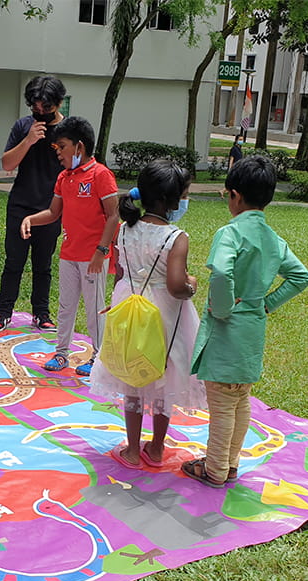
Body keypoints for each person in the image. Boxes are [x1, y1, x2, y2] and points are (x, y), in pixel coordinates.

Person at [183, 156, 308, 488]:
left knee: (223, 404)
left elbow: (223, 272)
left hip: (227, 332)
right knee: (240, 398)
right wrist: (266, 303)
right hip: (253, 330)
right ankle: (229, 464)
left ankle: (214, 469)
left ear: (234, 196)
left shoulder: (230, 233)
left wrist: (223, 309)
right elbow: (301, 277)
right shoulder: (273, 239)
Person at [90, 160, 206, 469]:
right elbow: (176, 286)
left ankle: (131, 448)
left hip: (129, 304)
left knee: (132, 371)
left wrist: (119, 301)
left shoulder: (125, 230)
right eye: (185, 194)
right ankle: (155, 448)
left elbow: (121, 272)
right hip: (163, 312)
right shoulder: (175, 237)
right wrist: (192, 285)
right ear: (171, 201)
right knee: (164, 373)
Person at [20, 116, 120, 376]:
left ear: (79, 147)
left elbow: (113, 215)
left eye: (62, 147)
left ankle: (98, 357)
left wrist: (101, 251)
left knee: (94, 306)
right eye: (56, 148)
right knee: (66, 306)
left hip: (93, 257)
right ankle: (61, 353)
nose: (59, 154)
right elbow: (53, 213)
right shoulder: (64, 177)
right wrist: (30, 218)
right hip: (69, 254)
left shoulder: (101, 175)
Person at [0, 75, 67, 332]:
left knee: (43, 265)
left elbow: (77, 167)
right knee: (14, 262)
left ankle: (41, 314)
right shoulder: (23, 126)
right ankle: (3, 313)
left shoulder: (69, 131)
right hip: (20, 205)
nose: (40, 112)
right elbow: (8, 164)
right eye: (35, 107)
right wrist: (29, 140)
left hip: (52, 208)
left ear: (59, 103)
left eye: (46, 108)